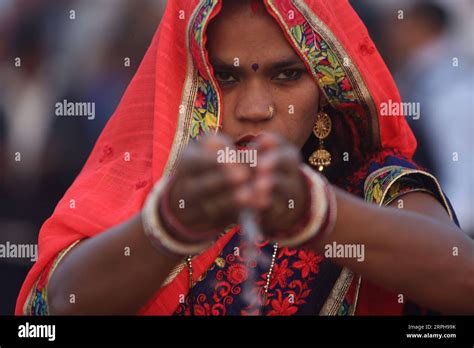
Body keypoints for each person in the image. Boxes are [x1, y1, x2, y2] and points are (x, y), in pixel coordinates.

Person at [16, 0, 474, 316]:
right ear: (190, 87)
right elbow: (55, 306)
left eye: (287, 75)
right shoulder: (149, 187)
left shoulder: (372, 184)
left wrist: (315, 215)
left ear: (326, 89)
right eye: (226, 77)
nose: (255, 109)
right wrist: (174, 225)